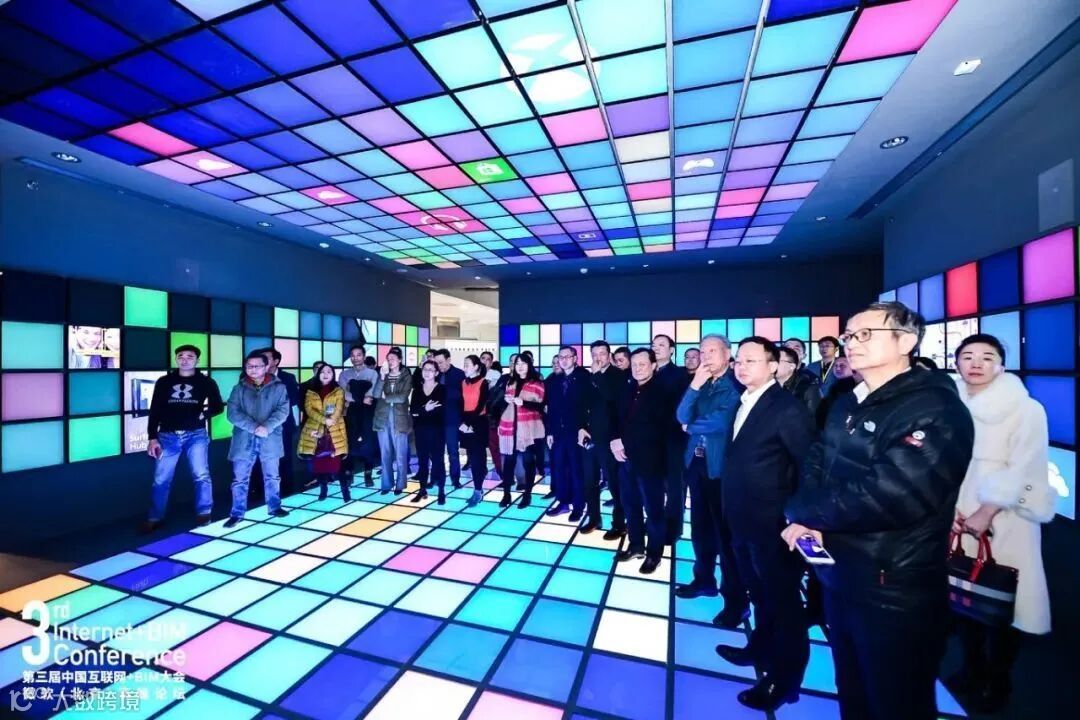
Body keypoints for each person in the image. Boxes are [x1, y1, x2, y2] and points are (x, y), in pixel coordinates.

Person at [783, 301, 974, 720]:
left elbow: (889, 495)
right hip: (840, 573)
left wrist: (803, 511)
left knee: (896, 701)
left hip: (893, 588)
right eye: (850, 335)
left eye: (866, 334)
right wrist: (808, 514)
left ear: (906, 341)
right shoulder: (850, 401)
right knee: (852, 690)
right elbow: (817, 458)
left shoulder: (935, 409)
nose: (852, 343)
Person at [949, 334, 1053, 712]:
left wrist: (986, 511)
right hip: (957, 515)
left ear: (1001, 365)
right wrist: (948, 508)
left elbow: (1026, 466)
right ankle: (972, 668)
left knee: (1003, 598)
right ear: (956, 363)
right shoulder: (950, 404)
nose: (976, 363)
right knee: (964, 593)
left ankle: (999, 680)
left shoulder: (1026, 409)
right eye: (968, 356)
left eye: (987, 357)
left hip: (1007, 519)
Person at [714, 337, 814, 711]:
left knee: (784, 604)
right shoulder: (745, 401)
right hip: (742, 519)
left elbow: (809, 466)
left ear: (773, 366)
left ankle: (786, 680)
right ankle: (759, 648)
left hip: (775, 525)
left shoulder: (787, 408)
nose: (741, 367)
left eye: (751, 361)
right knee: (759, 594)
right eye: (738, 361)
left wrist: (799, 518)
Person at [672, 335, 746, 624]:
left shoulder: (735, 384)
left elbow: (721, 422)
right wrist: (694, 385)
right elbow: (681, 414)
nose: (706, 356)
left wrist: (690, 425)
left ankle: (736, 601)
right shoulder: (702, 383)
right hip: (697, 463)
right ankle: (704, 580)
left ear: (728, 354)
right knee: (700, 528)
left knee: (726, 538)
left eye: (712, 351)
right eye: (703, 351)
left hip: (721, 468)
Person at [141, 344, 224, 533]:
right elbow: (155, 409)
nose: (184, 360)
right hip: (167, 435)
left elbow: (218, 406)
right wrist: (152, 437)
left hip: (196, 435)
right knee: (161, 479)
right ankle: (155, 517)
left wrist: (203, 415)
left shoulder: (206, 382)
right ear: (176, 359)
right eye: (180, 356)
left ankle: (204, 512)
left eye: (190, 356)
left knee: (201, 475)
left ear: (197, 360)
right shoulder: (164, 381)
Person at [611, 348, 673, 575]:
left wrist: (626, 442)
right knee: (630, 504)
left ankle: (654, 554)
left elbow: (661, 429)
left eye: (643, 364)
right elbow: (617, 418)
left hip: (651, 461)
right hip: (625, 459)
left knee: (654, 510)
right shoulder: (627, 388)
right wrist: (615, 440)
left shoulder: (663, 391)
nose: (637, 368)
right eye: (634, 364)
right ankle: (636, 545)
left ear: (654, 366)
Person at [224, 352, 292, 527]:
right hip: (244, 438)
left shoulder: (279, 387)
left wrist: (267, 427)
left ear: (266, 366)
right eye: (249, 366)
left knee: (272, 476)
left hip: (270, 437)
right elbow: (232, 413)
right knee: (239, 479)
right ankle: (237, 513)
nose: (253, 369)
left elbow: (283, 411)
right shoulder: (239, 388)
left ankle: (274, 507)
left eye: (257, 366)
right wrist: (254, 427)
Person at [579, 340, 628, 537]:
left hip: (610, 438)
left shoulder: (619, 375)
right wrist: (581, 427)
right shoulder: (588, 376)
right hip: (590, 437)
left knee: (615, 483)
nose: (598, 358)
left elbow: (611, 399)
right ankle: (594, 518)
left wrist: (598, 375)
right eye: (594, 354)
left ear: (609, 355)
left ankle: (619, 523)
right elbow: (582, 404)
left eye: (602, 354)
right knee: (589, 481)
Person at [653, 334, 691, 543]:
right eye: (654, 345)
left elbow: (682, 408)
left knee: (675, 486)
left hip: (674, 438)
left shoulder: (679, 375)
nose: (656, 348)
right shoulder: (648, 372)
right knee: (655, 484)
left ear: (671, 350)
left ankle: (674, 529)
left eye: (661, 345)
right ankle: (657, 523)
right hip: (652, 440)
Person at [546, 346, 590, 521]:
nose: (563, 360)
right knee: (559, 469)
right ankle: (563, 502)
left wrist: (584, 428)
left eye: (567, 356)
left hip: (577, 431)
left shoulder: (584, 377)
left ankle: (579, 506)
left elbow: (588, 406)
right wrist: (550, 431)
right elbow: (551, 408)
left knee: (576, 469)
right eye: (561, 357)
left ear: (575, 358)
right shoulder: (555, 380)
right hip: (558, 432)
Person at [497, 354, 546, 509]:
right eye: (517, 363)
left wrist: (523, 402)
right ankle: (506, 494)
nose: (520, 366)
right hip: (510, 427)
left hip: (529, 429)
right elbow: (502, 405)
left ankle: (527, 494)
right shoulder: (510, 382)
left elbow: (541, 406)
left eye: (523, 363)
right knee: (508, 462)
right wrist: (506, 401)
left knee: (528, 462)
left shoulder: (538, 383)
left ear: (529, 365)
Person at [297, 363, 349, 501]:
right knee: (319, 463)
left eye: (329, 372)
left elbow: (339, 408)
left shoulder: (338, 390)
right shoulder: (311, 391)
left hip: (334, 429)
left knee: (337, 463)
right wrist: (324, 420)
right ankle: (323, 489)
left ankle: (345, 491)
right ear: (318, 374)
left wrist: (331, 420)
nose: (325, 375)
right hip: (315, 429)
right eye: (322, 372)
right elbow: (309, 410)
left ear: (333, 375)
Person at [260, 347, 300, 495]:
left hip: (283, 425)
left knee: (284, 458)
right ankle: (261, 490)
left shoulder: (288, 378)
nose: (262, 361)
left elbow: (294, 400)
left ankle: (286, 490)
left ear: (276, 361)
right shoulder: (253, 375)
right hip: (260, 425)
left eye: (267, 358)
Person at [374, 348, 413, 495]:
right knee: (385, 453)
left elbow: (402, 397)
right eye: (388, 358)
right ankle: (386, 484)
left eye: (393, 358)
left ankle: (400, 484)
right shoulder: (383, 375)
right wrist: (381, 377)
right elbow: (376, 394)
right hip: (382, 417)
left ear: (400, 360)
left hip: (400, 418)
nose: (390, 361)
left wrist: (386, 397)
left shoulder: (406, 376)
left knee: (400, 454)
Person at [340, 345, 379, 487]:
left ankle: (368, 474)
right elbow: (344, 393)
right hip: (351, 412)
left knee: (368, 442)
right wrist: (360, 399)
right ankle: (349, 472)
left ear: (363, 356)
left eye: (358, 355)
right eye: (353, 355)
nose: (355, 358)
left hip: (368, 412)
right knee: (350, 441)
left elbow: (372, 393)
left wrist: (358, 398)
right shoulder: (344, 374)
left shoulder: (372, 373)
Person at [410, 360, 446, 504]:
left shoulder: (442, 389)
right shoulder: (417, 389)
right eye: (425, 369)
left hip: (437, 430)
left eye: (431, 370)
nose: (427, 372)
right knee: (422, 461)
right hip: (420, 430)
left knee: (438, 461)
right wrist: (425, 409)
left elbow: (441, 410)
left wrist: (422, 411)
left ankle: (441, 491)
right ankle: (422, 489)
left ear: (436, 373)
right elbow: (413, 411)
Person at [460, 354, 491, 506]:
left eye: (467, 365)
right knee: (472, 458)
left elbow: (481, 405)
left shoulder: (484, 382)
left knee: (478, 458)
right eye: (464, 365)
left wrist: (468, 424)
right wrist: (462, 423)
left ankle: (478, 490)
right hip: (465, 422)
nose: (464, 367)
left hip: (478, 422)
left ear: (476, 367)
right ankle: (479, 483)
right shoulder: (463, 383)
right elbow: (460, 404)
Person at [435, 349, 465, 488]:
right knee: (436, 451)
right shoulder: (435, 374)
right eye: (437, 363)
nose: (439, 365)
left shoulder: (459, 374)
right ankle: (437, 477)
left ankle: (455, 479)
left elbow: (463, 398)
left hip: (452, 419)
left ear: (448, 360)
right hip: (436, 419)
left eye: (441, 362)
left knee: (453, 451)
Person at [488, 353, 517, 483]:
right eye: (511, 361)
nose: (513, 364)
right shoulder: (503, 378)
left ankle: (514, 476)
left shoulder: (524, 380)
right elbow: (494, 397)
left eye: (516, 361)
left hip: (514, 421)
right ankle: (503, 475)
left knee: (511, 450)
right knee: (495, 447)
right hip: (496, 419)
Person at [814, 352, 859, 431]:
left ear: (853, 367)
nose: (838, 368)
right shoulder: (835, 386)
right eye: (835, 366)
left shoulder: (855, 388)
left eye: (842, 365)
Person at [777, 346, 821, 416]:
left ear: (792, 366)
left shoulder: (808, 388)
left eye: (778, 361)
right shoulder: (768, 386)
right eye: (771, 360)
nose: (773, 364)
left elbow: (814, 418)